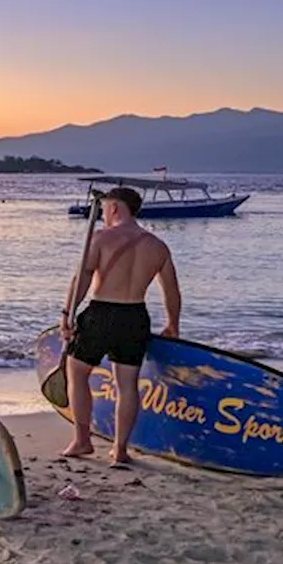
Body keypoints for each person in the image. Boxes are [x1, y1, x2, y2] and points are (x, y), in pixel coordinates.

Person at [61, 186, 182, 465]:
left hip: (102, 312)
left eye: (104, 208)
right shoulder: (157, 245)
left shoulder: (102, 238)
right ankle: (120, 449)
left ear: (114, 207)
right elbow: (172, 291)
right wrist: (172, 324)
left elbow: (82, 279)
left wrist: (67, 314)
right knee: (127, 384)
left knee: (77, 372)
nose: (103, 213)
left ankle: (82, 441)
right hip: (135, 316)